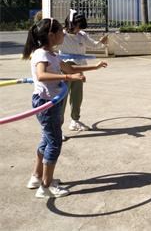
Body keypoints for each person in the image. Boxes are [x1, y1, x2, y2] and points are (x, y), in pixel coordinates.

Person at [22, 18, 107, 198]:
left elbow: (69, 67)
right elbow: (41, 75)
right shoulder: (42, 55)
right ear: (51, 35)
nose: (64, 33)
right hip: (47, 104)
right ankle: (45, 187)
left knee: (47, 139)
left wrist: (95, 67)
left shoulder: (52, 54)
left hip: (49, 102)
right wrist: (68, 79)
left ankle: (37, 177)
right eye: (61, 30)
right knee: (54, 143)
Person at [58, 10, 108, 132]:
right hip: (65, 68)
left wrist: (102, 42)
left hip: (79, 68)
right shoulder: (61, 35)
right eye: (77, 26)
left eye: (80, 27)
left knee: (77, 96)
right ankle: (56, 128)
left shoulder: (82, 35)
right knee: (61, 98)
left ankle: (75, 121)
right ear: (70, 23)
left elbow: (94, 45)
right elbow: (49, 47)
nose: (78, 29)